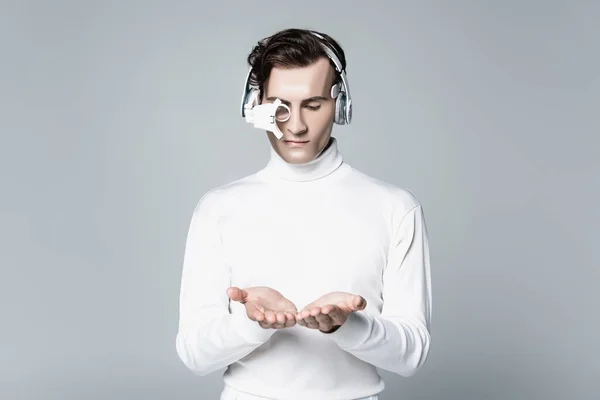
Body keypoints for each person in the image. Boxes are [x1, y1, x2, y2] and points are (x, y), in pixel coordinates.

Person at [175, 28, 432, 400]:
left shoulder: (395, 208)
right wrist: (252, 324)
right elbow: (194, 354)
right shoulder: (218, 209)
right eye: (279, 106)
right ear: (255, 104)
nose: (295, 125)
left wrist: (347, 326)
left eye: (313, 105)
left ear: (339, 105)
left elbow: (413, 355)